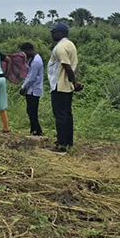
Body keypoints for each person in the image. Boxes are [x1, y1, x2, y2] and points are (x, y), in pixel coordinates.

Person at [47, 23, 82, 153]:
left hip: (59, 85)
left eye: (54, 31)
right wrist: (74, 83)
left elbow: (67, 67)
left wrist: (75, 81)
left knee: (60, 116)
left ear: (61, 33)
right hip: (67, 86)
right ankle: (68, 142)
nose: (52, 34)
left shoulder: (60, 47)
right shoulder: (70, 44)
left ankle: (61, 144)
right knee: (67, 115)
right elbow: (75, 65)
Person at [19, 43, 45, 137]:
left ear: (29, 50)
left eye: (24, 52)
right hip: (32, 89)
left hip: (34, 90)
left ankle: (36, 131)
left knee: (32, 111)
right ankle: (35, 130)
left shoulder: (36, 61)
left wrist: (23, 87)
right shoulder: (33, 59)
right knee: (30, 110)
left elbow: (31, 77)